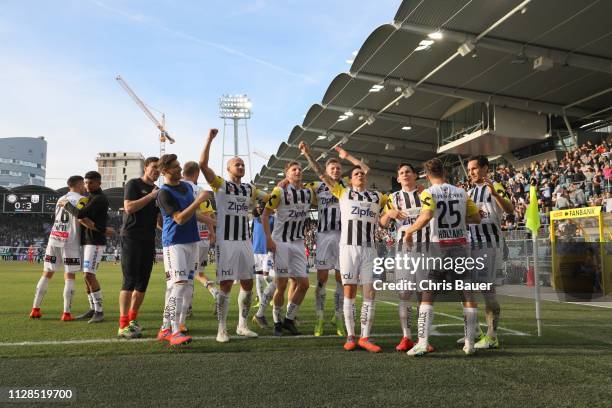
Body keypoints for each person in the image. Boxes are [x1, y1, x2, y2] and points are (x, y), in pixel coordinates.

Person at [300, 141, 387, 353]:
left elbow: (391, 207)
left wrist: (348, 156)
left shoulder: (376, 196)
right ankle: (350, 335)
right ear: (349, 179)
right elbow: (321, 175)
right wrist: (307, 155)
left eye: (362, 174)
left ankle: (365, 337)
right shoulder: (343, 193)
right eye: (356, 174)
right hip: (346, 247)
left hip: (369, 249)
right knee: (348, 290)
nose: (360, 175)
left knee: (369, 293)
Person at [400, 158, 481, 356]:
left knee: (428, 294)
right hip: (461, 246)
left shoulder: (428, 192)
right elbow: (477, 218)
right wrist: (459, 222)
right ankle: (470, 343)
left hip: (439, 248)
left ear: (427, 176)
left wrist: (409, 231)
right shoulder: (462, 192)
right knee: (466, 293)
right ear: (444, 173)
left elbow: (426, 215)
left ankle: (422, 342)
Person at [200, 129, 268, 342]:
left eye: (242, 164)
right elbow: (203, 166)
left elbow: (270, 198)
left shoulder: (250, 188)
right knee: (226, 284)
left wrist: (280, 190)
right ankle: (222, 329)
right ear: (228, 168)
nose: (241, 166)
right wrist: (209, 139)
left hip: (244, 241)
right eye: (236, 164)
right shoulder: (221, 184)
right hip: (226, 241)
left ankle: (242, 325)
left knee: (248, 284)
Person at [304, 148, 368, 337]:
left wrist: (348, 156)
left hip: (344, 236)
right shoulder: (316, 185)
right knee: (322, 279)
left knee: (343, 279)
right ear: (327, 170)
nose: (335, 171)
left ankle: (338, 317)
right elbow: (297, 184)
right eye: (332, 168)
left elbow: (364, 169)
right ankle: (320, 318)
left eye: (338, 168)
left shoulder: (347, 185)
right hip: (324, 235)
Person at [379, 163, 434, 353]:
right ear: (398, 177)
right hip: (402, 251)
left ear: (414, 176)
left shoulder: (425, 194)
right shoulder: (393, 198)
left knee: (423, 294)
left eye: (407, 172)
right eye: (401, 173)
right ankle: (406, 337)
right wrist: (389, 214)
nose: (404, 175)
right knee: (404, 294)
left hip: (425, 248)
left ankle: (422, 338)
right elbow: (383, 223)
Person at [155, 154, 207, 346]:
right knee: (178, 285)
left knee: (178, 286)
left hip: (192, 240)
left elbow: (194, 214)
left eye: (179, 166)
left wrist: (209, 221)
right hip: (174, 242)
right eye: (175, 167)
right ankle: (175, 331)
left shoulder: (186, 187)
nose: (179, 170)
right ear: (165, 171)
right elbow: (179, 218)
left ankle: (165, 327)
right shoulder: (163, 193)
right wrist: (198, 201)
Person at [465, 156, 514, 349]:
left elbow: (510, 210)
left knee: (488, 291)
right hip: (470, 245)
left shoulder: (495, 187)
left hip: (489, 245)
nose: (472, 173)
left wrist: (495, 194)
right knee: (466, 289)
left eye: (475, 168)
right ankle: (474, 331)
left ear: (485, 168)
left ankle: (492, 335)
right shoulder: (468, 192)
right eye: (469, 170)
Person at [262, 160, 314, 337]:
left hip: (299, 243)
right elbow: (265, 214)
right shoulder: (279, 191)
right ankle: (277, 321)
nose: (298, 171)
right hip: (281, 243)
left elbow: (326, 187)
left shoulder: (308, 192)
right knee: (282, 284)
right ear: (287, 174)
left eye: (300, 169)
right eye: (294, 169)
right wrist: (268, 239)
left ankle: (289, 320)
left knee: (304, 284)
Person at [30, 175, 89, 321]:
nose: (85, 188)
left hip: (54, 238)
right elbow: (81, 218)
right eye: (83, 185)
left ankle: (35, 309)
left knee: (47, 273)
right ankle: (66, 313)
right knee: (69, 276)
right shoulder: (82, 200)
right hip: (70, 241)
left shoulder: (60, 199)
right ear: (79, 185)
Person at [59, 171, 112, 324]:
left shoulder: (100, 199)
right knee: (85, 276)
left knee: (89, 274)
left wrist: (67, 205)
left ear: (99, 183)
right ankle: (92, 308)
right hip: (86, 240)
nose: (88, 186)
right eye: (86, 183)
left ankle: (99, 311)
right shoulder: (89, 197)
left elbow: (81, 214)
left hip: (95, 242)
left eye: (91, 183)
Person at [117, 157, 160, 339]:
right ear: (145, 167)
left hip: (148, 240)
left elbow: (158, 220)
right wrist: (151, 196)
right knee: (129, 280)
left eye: (159, 169)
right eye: (154, 168)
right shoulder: (134, 184)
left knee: (143, 283)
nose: (157, 171)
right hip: (131, 237)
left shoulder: (159, 191)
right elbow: (129, 207)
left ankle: (133, 319)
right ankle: (123, 324)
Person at [181, 161, 217, 329]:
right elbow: (209, 214)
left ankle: (186, 308)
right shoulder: (202, 192)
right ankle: (215, 292)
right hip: (204, 239)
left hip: (191, 238)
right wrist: (212, 233)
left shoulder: (183, 189)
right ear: (196, 174)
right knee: (198, 273)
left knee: (188, 275)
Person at [251, 202, 276, 329]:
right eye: (258, 207)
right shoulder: (254, 220)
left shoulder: (271, 219)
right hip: (256, 251)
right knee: (258, 279)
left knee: (266, 277)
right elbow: (252, 236)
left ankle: (271, 294)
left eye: (261, 206)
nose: (259, 208)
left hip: (267, 252)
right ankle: (261, 301)